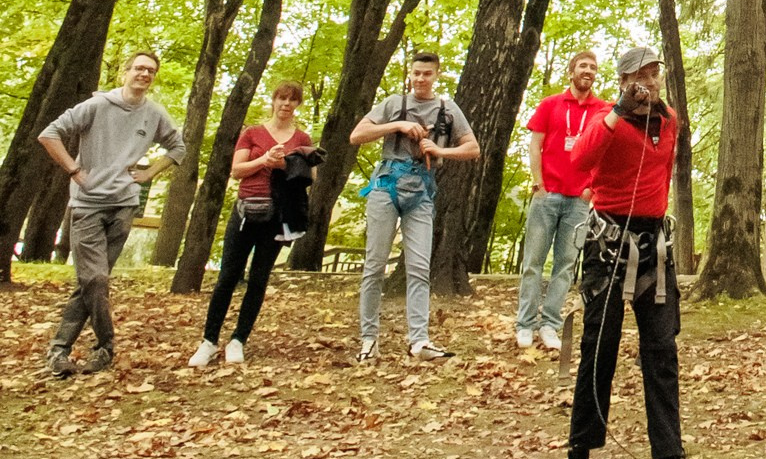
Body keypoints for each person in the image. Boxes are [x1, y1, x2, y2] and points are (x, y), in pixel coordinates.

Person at [540, 41, 704, 459]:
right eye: (639, 76)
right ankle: (578, 456)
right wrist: (617, 111)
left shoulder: (669, 121)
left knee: (661, 348)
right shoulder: (605, 121)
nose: (648, 83)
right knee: (599, 346)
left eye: (654, 74)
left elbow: (662, 169)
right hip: (607, 245)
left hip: (654, 245)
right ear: (624, 82)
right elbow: (579, 161)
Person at [38, 49, 186, 380]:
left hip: (124, 205)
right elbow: (48, 134)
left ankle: (59, 352)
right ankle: (105, 344)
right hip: (88, 205)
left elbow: (178, 148)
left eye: (151, 71)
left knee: (91, 282)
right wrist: (74, 169)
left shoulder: (154, 114)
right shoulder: (97, 105)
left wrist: (149, 174)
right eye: (139, 69)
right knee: (95, 279)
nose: (144, 75)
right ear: (125, 72)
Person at [350, 51, 479, 366]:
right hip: (385, 188)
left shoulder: (448, 110)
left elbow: (473, 148)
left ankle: (419, 340)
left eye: (427, 74)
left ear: (437, 75)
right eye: (416, 73)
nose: (421, 79)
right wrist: (397, 125)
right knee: (374, 265)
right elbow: (357, 135)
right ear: (410, 73)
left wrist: (441, 150)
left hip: (422, 193)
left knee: (420, 268)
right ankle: (369, 340)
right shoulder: (394, 103)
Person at [189, 78, 319, 368]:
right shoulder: (253, 133)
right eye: (281, 98)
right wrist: (264, 162)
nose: (286, 104)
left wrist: (285, 165)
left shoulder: (302, 140)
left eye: (292, 100)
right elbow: (236, 170)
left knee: (259, 279)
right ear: (273, 100)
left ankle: (238, 339)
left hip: (278, 216)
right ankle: (209, 341)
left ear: (298, 105)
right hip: (246, 211)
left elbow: (309, 179)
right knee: (227, 277)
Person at [516, 49, 607, 354]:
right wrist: (537, 182)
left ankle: (550, 325)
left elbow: (605, 153)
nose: (588, 71)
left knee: (566, 266)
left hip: (578, 200)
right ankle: (525, 324)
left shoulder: (601, 110)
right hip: (547, 195)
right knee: (533, 263)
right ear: (571, 72)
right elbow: (535, 144)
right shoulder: (551, 104)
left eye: (593, 68)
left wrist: (591, 189)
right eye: (583, 65)